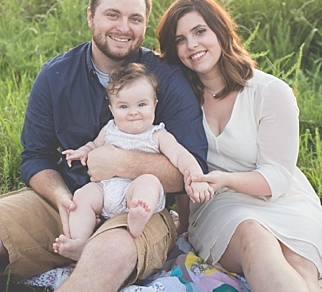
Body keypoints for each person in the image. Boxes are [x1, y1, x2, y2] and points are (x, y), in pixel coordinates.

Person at [0, 0, 202, 292]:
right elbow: (35, 157)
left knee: (107, 253)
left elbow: (192, 170)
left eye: (135, 18)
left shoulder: (166, 78)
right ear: (90, 16)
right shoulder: (55, 75)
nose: (124, 27)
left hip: (141, 210)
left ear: (145, 24)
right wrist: (63, 199)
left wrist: (120, 162)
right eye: (113, 15)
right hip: (72, 201)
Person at [159, 0, 322, 288]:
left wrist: (223, 178)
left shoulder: (269, 91)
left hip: (284, 199)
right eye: (180, 40)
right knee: (254, 235)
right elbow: (182, 163)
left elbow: (278, 178)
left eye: (200, 31)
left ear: (220, 31)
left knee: (299, 265)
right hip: (222, 205)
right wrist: (185, 222)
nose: (191, 45)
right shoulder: (179, 100)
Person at [52, 65, 212, 260]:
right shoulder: (110, 129)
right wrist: (82, 152)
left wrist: (197, 177)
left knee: (149, 182)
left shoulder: (157, 135)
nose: (133, 112)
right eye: (124, 106)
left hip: (138, 193)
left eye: (141, 105)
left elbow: (181, 156)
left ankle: (138, 217)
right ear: (112, 109)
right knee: (81, 196)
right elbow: (93, 144)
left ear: (155, 104)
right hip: (106, 190)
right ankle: (79, 241)